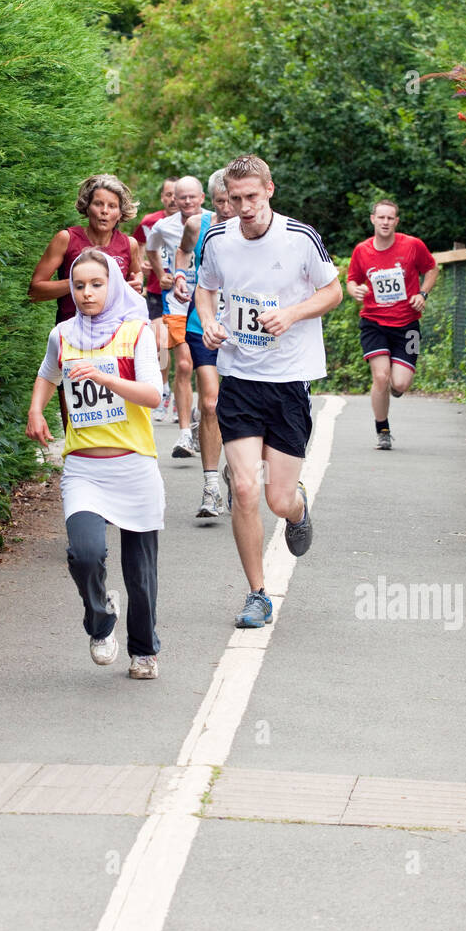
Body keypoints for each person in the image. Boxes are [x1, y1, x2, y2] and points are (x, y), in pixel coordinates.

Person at [196, 154, 342, 628]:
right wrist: (213, 321)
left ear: (270, 191)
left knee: (277, 500)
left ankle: (297, 507)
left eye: (252, 197)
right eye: (235, 199)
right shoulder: (218, 239)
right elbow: (206, 288)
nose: (243, 207)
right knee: (242, 489)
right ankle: (258, 594)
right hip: (238, 377)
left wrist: (293, 314)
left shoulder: (300, 237)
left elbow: (333, 292)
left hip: (287, 382)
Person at [26, 249, 164, 679]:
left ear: (114, 285)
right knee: (85, 554)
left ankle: (144, 650)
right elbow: (48, 373)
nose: (86, 293)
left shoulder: (137, 332)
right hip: (84, 468)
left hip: (134, 465)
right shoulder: (62, 334)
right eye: (79, 285)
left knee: (140, 574)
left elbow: (153, 395)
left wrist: (104, 377)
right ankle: (101, 619)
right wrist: (36, 410)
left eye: (96, 284)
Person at [28, 174, 144, 427]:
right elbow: (36, 290)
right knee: (77, 423)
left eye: (111, 206)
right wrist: (80, 285)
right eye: (98, 204)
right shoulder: (67, 239)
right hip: (74, 338)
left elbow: (135, 291)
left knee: (115, 421)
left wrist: (138, 286)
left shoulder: (129, 245)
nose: (104, 212)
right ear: (86, 206)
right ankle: (75, 464)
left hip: (116, 342)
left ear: (121, 212)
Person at [346, 199, 438, 449]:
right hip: (373, 322)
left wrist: (423, 294)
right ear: (372, 219)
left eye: (390, 218)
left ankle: (393, 388)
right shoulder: (362, 251)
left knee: (400, 383)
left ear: (396, 221)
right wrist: (355, 290)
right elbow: (351, 279)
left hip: (407, 324)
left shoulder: (412, 245)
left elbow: (431, 269)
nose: (385, 222)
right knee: (381, 376)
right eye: (381, 217)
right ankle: (382, 429)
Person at [172, 169, 232, 518]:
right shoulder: (198, 224)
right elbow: (182, 252)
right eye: (221, 201)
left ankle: (234, 468)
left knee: (240, 404)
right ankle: (211, 488)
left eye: (233, 201)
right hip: (202, 321)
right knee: (209, 403)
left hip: (245, 329)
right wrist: (181, 274)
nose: (227, 209)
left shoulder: (259, 227)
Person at [145, 176, 210, 458]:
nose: (184, 202)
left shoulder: (214, 221)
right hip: (177, 302)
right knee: (183, 364)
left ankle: (200, 413)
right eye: (179, 197)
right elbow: (149, 249)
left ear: (202, 198)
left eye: (190, 197)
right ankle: (184, 434)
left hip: (209, 301)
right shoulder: (163, 226)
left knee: (206, 370)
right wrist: (162, 275)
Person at [133, 177, 178, 423]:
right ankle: (163, 389)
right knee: (160, 341)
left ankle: (186, 402)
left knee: (186, 352)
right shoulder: (150, 222)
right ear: (162, 197)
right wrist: (143, 264)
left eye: (176, 194)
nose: (172, 199)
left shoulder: (196, 222)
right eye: (168, 194)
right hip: (156, 292)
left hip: (187, 295)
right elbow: (138, 247)